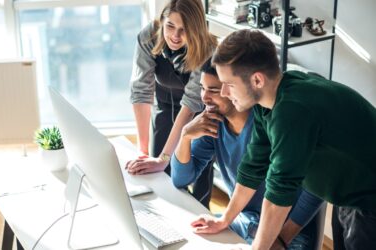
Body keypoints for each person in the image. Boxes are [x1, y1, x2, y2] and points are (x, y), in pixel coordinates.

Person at [195, 29, 376, 250]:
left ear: (257, 80)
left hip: (368, 201)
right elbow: (253, 167)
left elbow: (278, 194)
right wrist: (225, 220)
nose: (223, 92)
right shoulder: (269, 102)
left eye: (229, 84)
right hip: (347, 196)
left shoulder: (292, 111)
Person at [174, 59, 324, 249]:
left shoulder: (272, 123)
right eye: (203, 88)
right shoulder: (212, 123)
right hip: (245, 222)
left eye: (213, 90)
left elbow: (317, 187)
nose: (204, 97)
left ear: (234, 89)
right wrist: (185, 135)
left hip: (286, 231)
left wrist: (282, 238)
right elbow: (181, 179)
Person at [126, 0, 217, 178]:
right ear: (162, 21)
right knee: (155, 170)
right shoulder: (148, 37)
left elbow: (191, 102)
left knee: (194, 175)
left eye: (184, 29)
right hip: (164, 105)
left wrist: (164, 158)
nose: (175, 36)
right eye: (170, 26)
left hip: (198, 113)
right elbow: (141, 91)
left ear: (196, 29)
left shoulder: (207, 49)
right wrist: (142, 153)